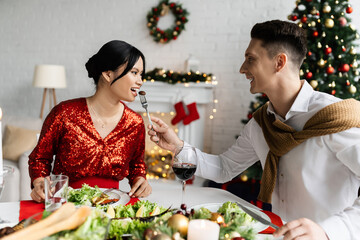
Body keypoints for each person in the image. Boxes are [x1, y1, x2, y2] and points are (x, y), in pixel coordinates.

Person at [147, 20, 360, 240]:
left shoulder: (335, 118)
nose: (242, 69)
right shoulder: (261, 124)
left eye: (251, 59)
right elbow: (224, 168)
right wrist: (178, 146)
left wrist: (328, 231)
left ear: (279, 62)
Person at [29, 40, 152, 202]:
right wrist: (39, 182)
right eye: (134, 72)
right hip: (66, 205)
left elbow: (137, 166)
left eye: (141, 74)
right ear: (108, 74)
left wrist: (140, 180)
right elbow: (39, 159)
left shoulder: (135, 122)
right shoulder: (64, 114)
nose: (140, 81)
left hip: (112, 207)